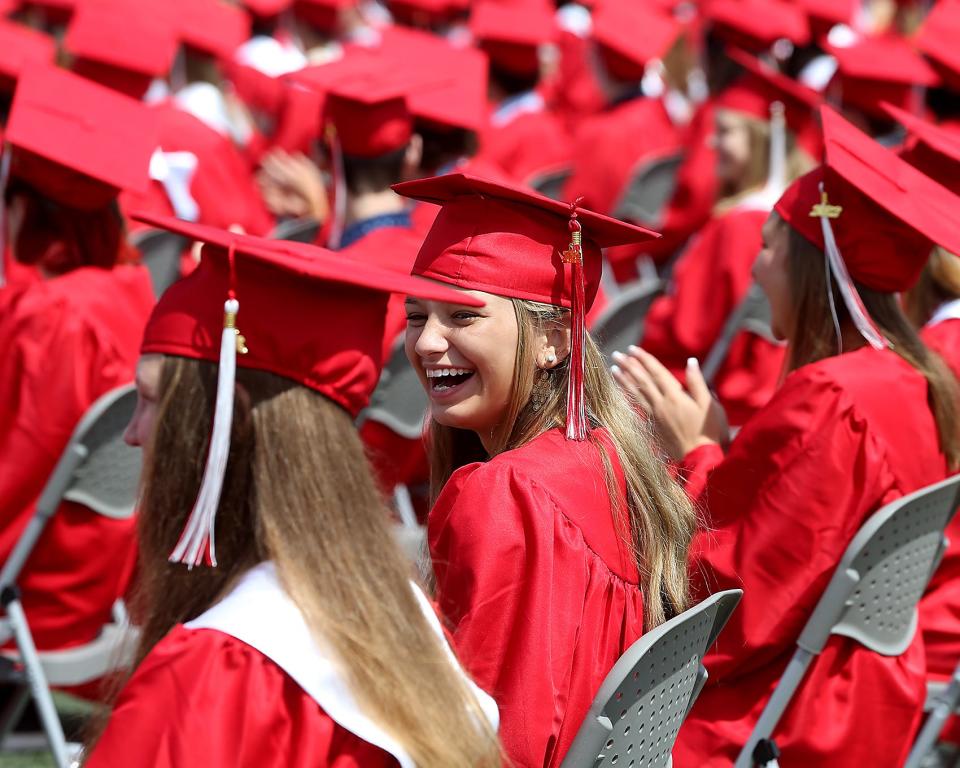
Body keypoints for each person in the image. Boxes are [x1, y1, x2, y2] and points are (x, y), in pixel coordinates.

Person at [83, 214, 500, 767]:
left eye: (150, 400)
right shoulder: (402, 622)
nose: (133, 434)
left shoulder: (213, 672)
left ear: (221, 423)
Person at [613, 107, 960, 766]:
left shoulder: (832, 398)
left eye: (769, 247)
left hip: (783, 713)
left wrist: (696, 453)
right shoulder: (916, 383)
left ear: (813, 264)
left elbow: (736, 605)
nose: (755, 270)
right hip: (862, 693)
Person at [396, 172, 697, 768]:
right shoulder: (614, 462)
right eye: (415, 316)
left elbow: (499, 738)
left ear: (554, 340)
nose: (429, 342)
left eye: (462, 317)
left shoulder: (506, 493)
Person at [0, 65, 158, 659]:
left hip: (40, 591)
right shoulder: (132, 283)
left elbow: (20, 466)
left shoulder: (54, 314)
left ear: (30, 209)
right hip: (103, 570)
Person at [639, 50, 819, 425]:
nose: (710, 144)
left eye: (724, 132)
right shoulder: (804, 219)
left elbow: (688, 332)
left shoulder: (742, 227)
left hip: (700, 403)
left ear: (761, 140)